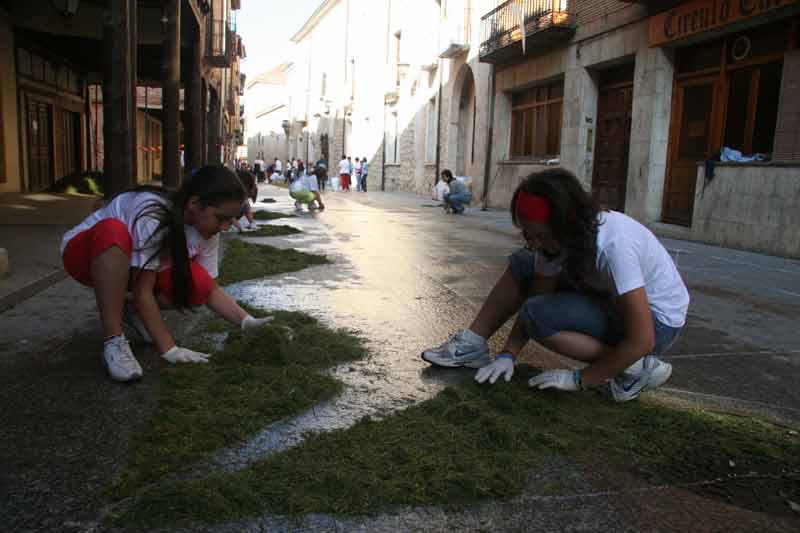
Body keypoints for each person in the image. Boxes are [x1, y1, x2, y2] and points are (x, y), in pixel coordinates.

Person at [421, 168, 689, 402]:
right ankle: (473, 346)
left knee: (540, 315)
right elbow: (535, 299)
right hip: (610, 299)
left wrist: (580, 379)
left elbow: (643, 339)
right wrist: (508, 354)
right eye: (528, 233)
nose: (535, 242)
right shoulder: (557, 240)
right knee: (524, 263)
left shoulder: (615, 245)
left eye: (540, 235)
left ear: (566, 223)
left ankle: (632, 368)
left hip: (658, 323)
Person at [60, 166, 276, 382]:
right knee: (113, 230)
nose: (227, 227)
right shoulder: (151, 211)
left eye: (231, 219)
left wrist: (246, 321)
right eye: (221, 219)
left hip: (131, 271)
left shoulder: (207, 230)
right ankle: (114, 341)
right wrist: (170, 349)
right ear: (194, 204)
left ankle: (132, 311)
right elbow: (142, 289)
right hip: (87, 257)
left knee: (197, 286)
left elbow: (210, 288)